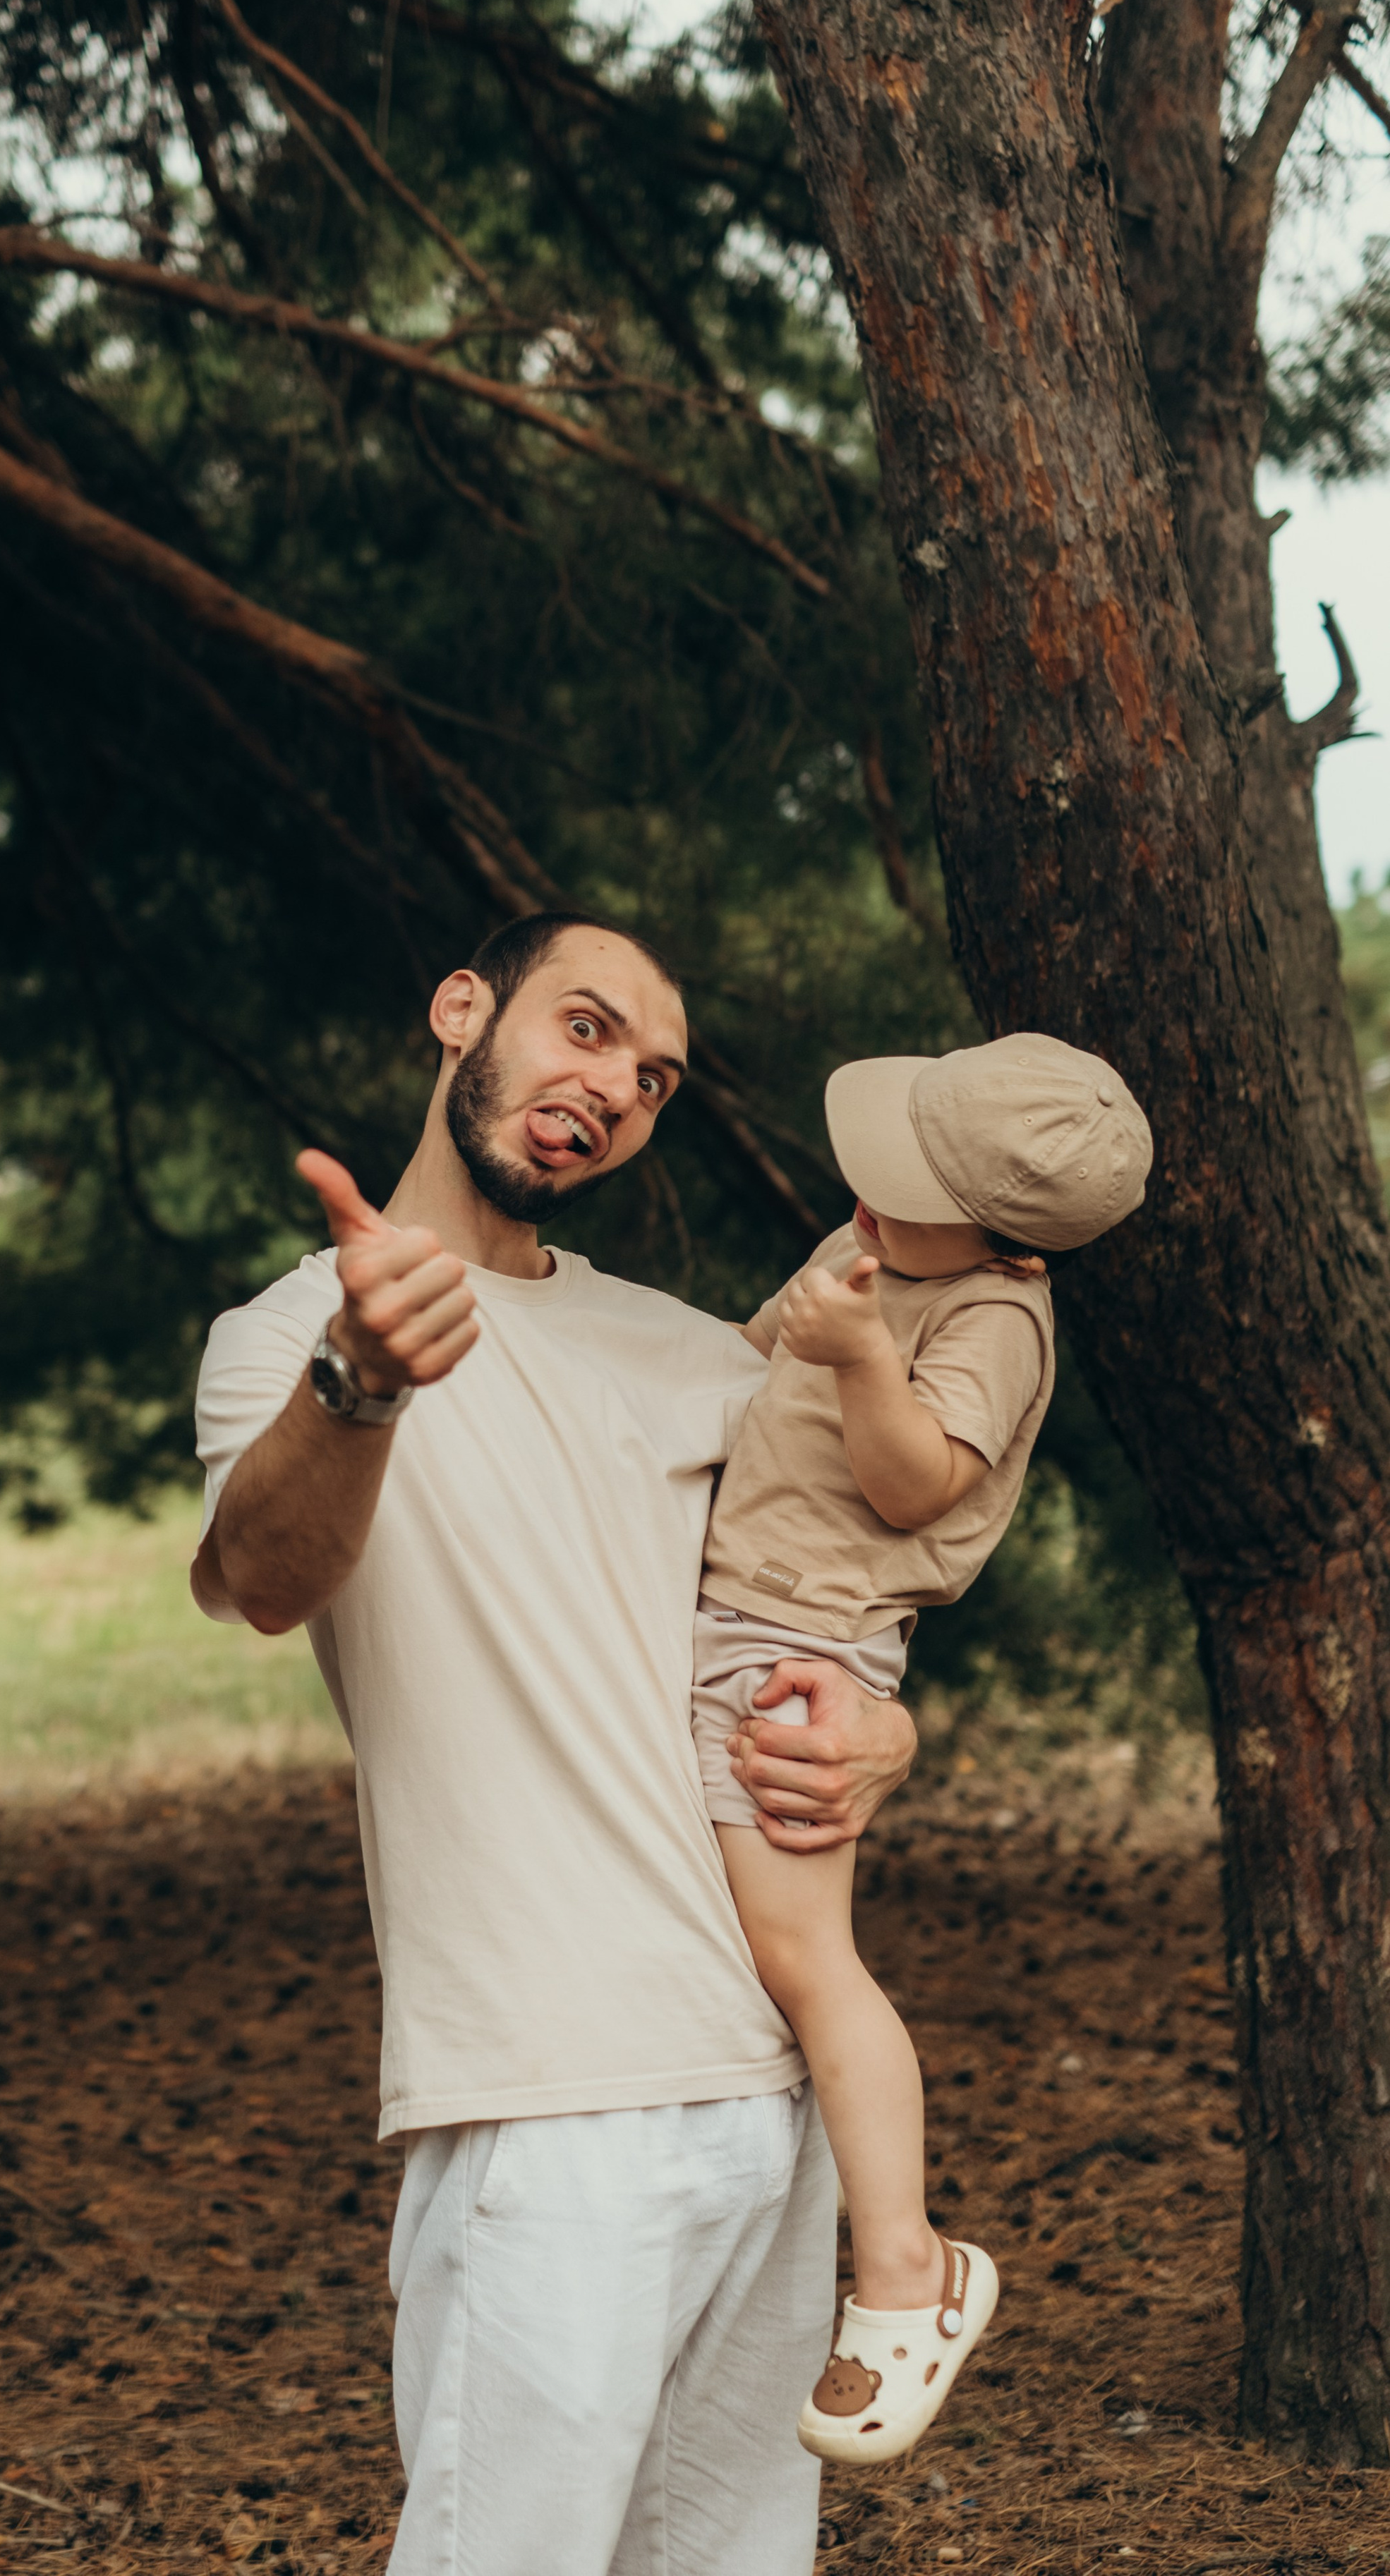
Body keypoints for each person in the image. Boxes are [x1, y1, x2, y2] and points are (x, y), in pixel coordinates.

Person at [191, 911, 917, 2576]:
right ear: (463, 1011)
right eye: (583, 1031)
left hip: (777, 2090)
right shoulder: (290, 1341)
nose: (613, 1088)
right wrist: (363, 1381)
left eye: (651, 1077)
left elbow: (806, 1623)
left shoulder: (691, 1356)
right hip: (546, 2099)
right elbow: (259, 1576)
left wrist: (886, 1732)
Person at [691, 1035, 1153, 2465]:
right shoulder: (866, 1249)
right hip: (712, 1607)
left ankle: (910, 2272)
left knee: (800, 1958)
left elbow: (906, 1488)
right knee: (727, 1951)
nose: (865, 1194)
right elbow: (734, 1379)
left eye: (908, 1186)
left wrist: (859, 1356)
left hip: (802, 1647)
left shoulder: (996, 1321)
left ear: (1010, 1239)